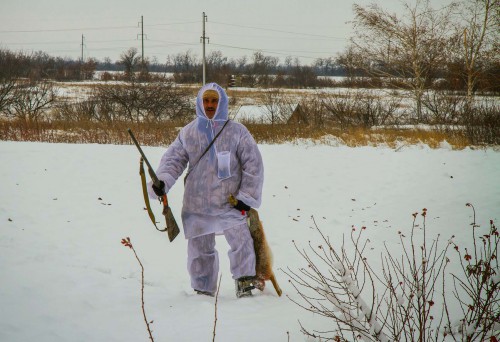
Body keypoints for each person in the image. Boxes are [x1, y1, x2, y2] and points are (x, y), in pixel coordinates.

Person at [148, 82, 264, 298]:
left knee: (241, 241)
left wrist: (246, 198)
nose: (210, 104)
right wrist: (162, 181)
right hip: (197, 203)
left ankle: (245, 282)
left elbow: (253, 164)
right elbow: (173, 160)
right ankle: (203, 288)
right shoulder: (189, 132)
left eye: (214, 100)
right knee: (199, 248)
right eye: (206, 100)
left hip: (230, 202)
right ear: (200, 103)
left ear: (222, 103)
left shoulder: (237, 132)